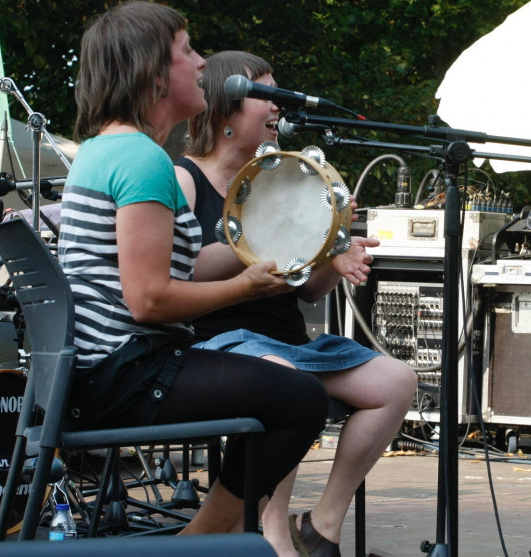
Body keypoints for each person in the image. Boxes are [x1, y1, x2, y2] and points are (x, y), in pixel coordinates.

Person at [58, 1, 329, 537]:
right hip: (128, 376)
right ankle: (197, 543)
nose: (203, 63)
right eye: (187, 50)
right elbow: (150, 300)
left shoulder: (108, 148)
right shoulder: (142, 160)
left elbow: (183, 262)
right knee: (300, 399)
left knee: (287, 392)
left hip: (108, 371)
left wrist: (294, 241)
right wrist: (242, 288)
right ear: (154, 75)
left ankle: (204, 540)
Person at [174, 51, 418, 557]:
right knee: (286, 384)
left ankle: (323, 523)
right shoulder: (184, 178)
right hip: (219, 344)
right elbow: (182, 271)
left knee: (397, 381)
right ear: (225, 110)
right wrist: (261, 237)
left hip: (285, 340)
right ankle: (274, 534)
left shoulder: (283, 177)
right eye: (268, 96)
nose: (279, 108)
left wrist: (337, 251)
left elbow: (307, 289)